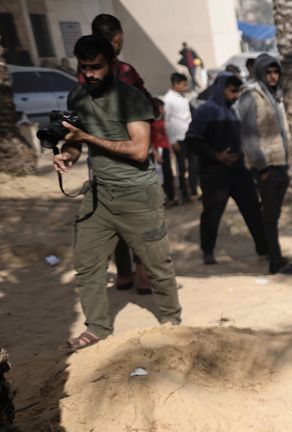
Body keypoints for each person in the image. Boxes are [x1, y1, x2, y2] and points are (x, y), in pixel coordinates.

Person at [53, 35, 182, 349]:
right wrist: (68, 154)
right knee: (87, 265)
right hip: (99, 197)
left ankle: (173, 323)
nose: (90, 74)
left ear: (112, 64)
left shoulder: (132, 98)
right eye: (84, 67)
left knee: (157, 265)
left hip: (138, 196)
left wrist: (87, 137)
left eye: (96, 67)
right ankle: (97, 327)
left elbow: (140, 150)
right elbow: (75, 140)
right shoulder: (78, 96)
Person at [89, 13, 152, 292]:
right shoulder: (124, 72)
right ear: (116, 40)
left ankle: (124, 275)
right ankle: (141, 275)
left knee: (114, 219)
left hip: (100, 159)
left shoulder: (84, 73)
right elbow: (145, 105)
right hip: (129, 156)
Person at [186, 71, 269, 266]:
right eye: (232, 90)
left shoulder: (234, 112)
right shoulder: (205, 111)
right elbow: (192, 140)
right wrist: (216, 155)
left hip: (238, 171)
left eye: (238, 91)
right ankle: (207, 251)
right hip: (214, 173)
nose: (236, 95)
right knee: (212, 213)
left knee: (253, 211)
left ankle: (264, 251)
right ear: (221, 88)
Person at [236, 53, 292, 275]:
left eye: (276, 72)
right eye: (269, 72)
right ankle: (275, 260)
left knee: (274, 215)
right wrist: (261, 167)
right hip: (266, 166)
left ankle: (276, 255)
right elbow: (249, 137)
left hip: (280, 163)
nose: (273, 76)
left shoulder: (274, 95)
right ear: (261, 72)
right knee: (270, 216)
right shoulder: (251, 96)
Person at [163, 73, 193, 206]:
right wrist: (172, 141)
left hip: (188, 135)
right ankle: (184, 194)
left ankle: (192, 190)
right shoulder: (168, 100)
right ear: (176, 84)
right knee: (181, 168)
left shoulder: (183, 98)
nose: (185, 87)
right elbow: (166, 121)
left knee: (193, 165)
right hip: (178, 138)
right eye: (183, 85)